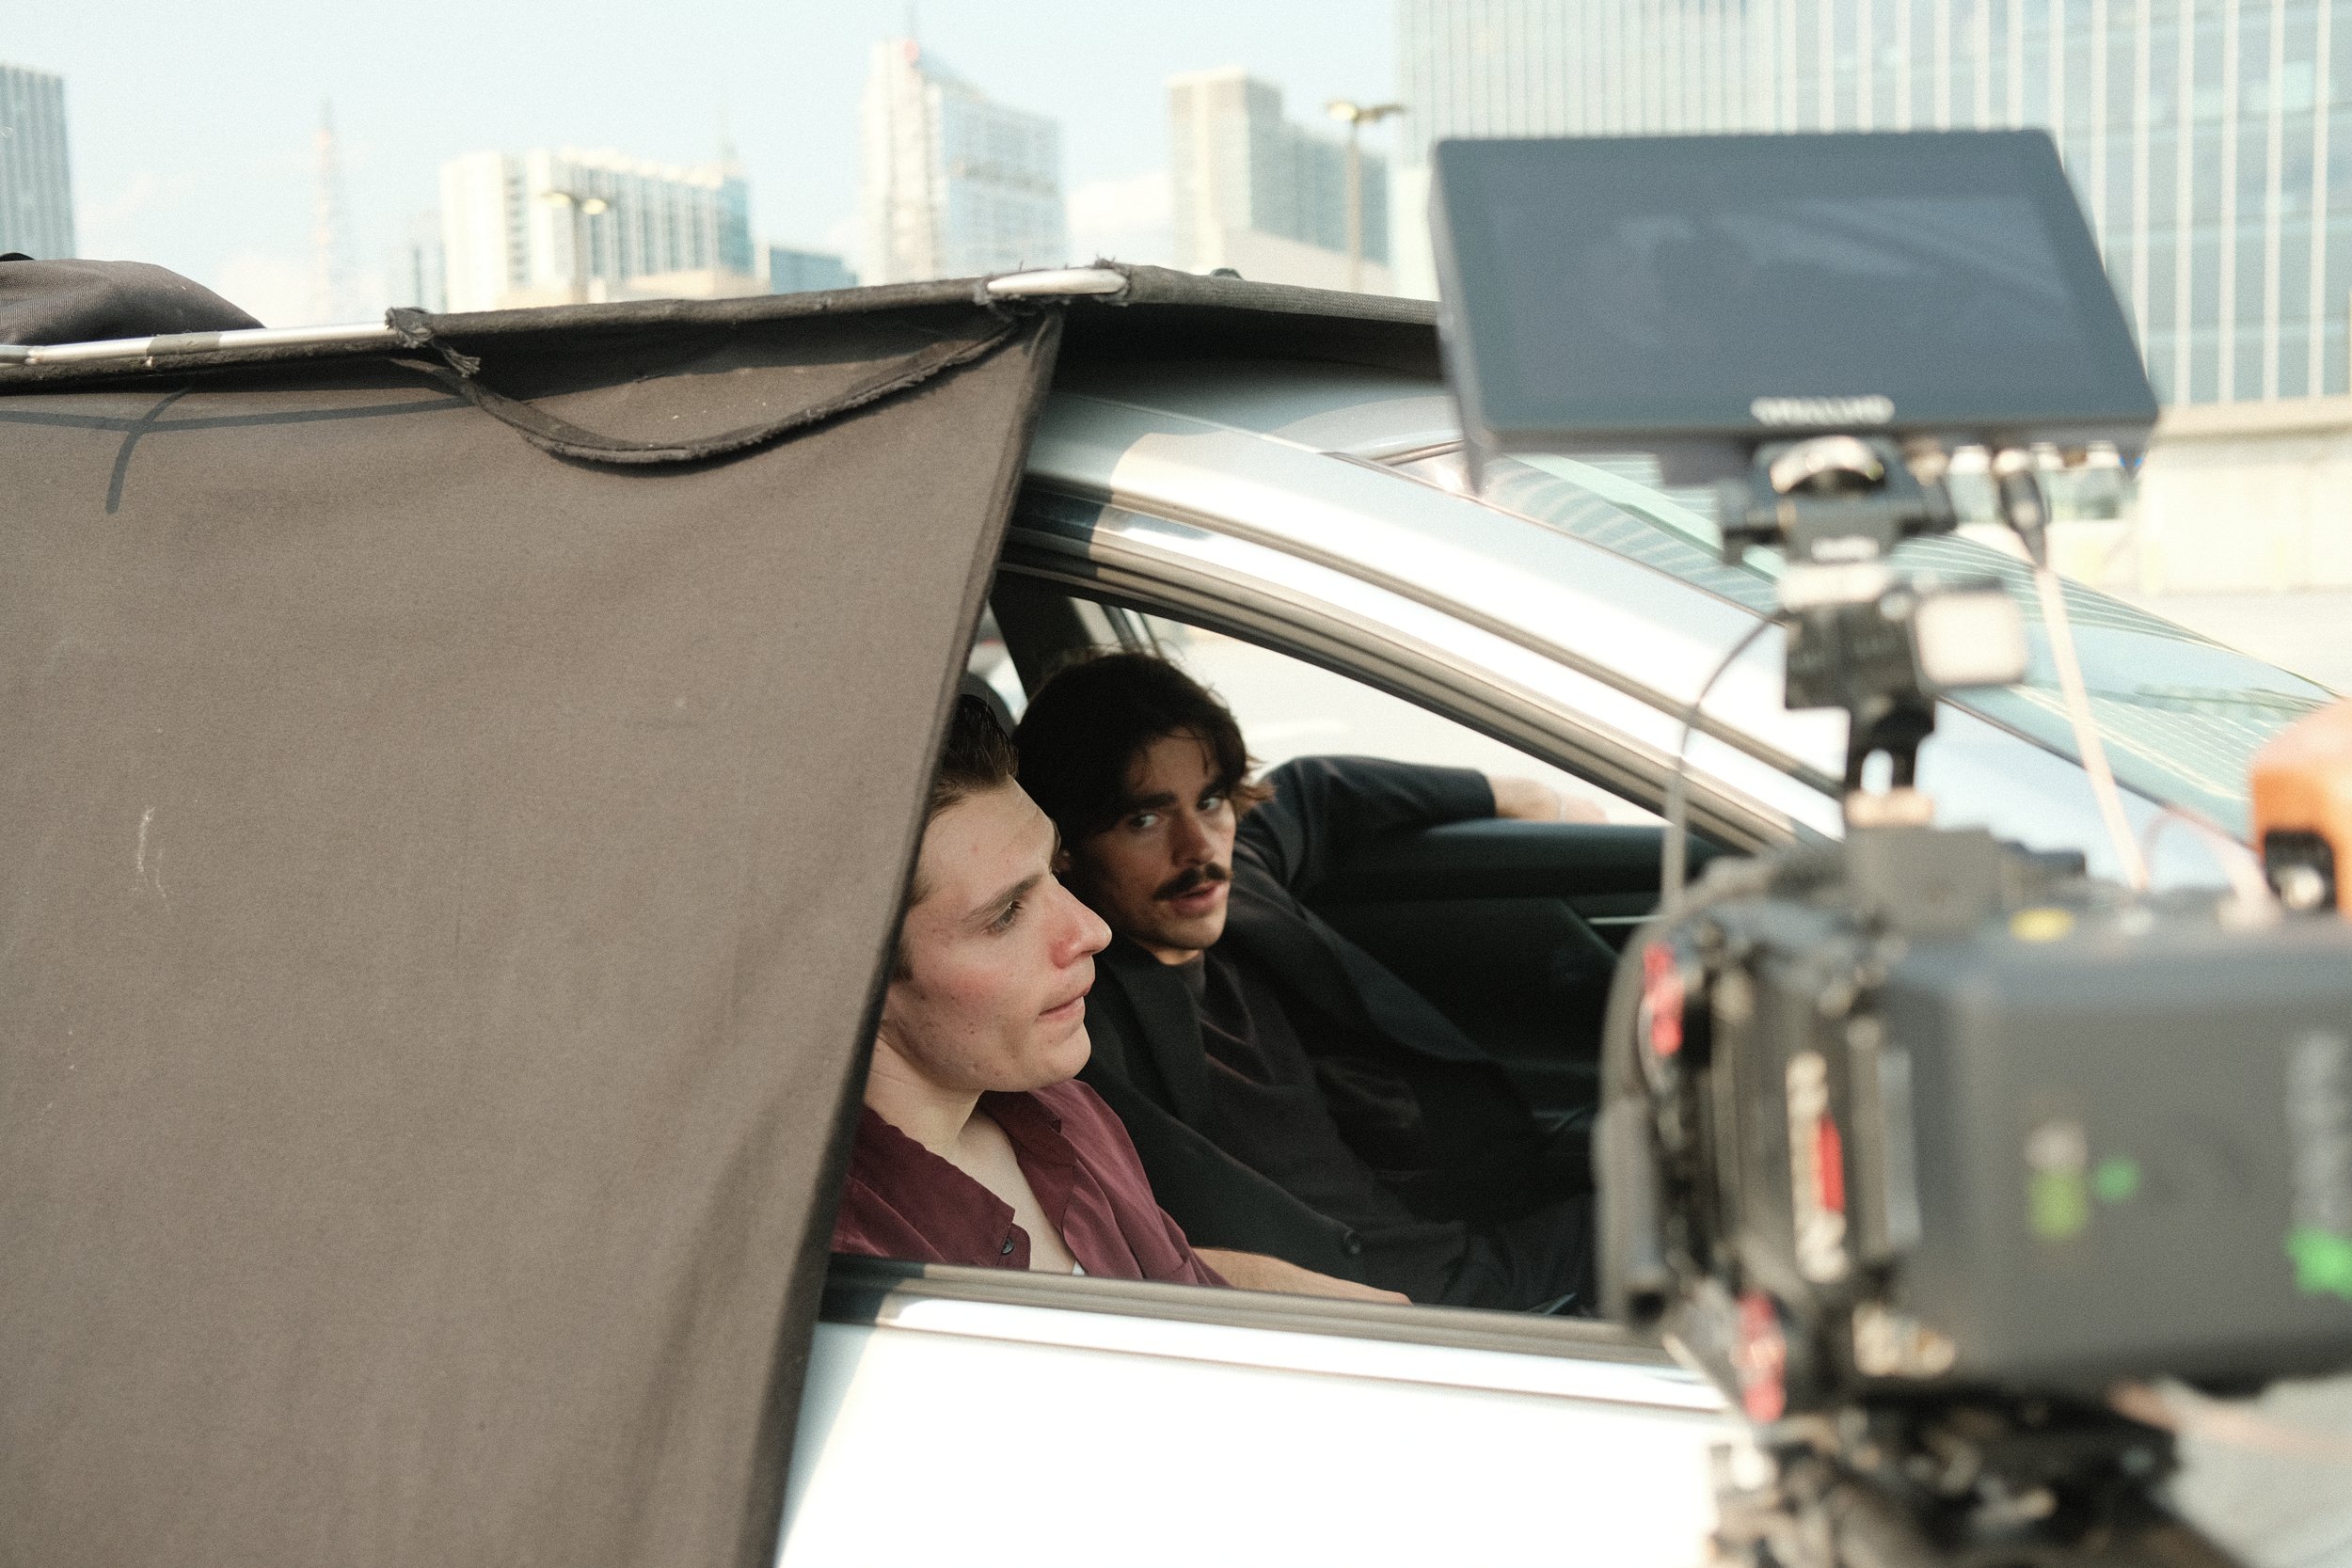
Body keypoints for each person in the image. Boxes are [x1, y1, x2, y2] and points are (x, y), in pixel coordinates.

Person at [1014, 653, 1601, 1312]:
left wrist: (1526, 795)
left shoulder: (1242, 885)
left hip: (1465, 1214)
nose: (1199, 849)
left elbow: (1315, 788)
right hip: (1409, 1302)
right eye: (1144, 820)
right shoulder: (1078, 1019)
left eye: (1209, 801)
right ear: (1062, 847)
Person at [832, 693, 1401, 1301]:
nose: (1091, 930)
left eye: (1053, 871)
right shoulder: (847, 1271)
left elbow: (1176, 1273)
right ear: (854, 977)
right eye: (1006, 914)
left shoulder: (1066, 1112)